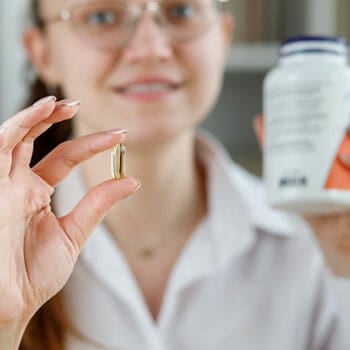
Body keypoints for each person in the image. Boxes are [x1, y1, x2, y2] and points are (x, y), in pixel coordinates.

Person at [0, 0, 349, 349]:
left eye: (181, 11)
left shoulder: (315, 244)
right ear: (42, 53)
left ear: (223, 36)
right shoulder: (7, 250)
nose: (151, 50)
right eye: (102, 17)